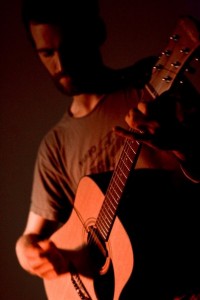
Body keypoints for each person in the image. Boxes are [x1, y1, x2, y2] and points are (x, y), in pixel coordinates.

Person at [15, 0, 200, 299]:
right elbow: (31, 237)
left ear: (96, 32)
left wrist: (180, 145)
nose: (60, 65)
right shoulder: (55, 145)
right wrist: (26, 252)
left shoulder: (151, 84)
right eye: (47, 53)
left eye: (69, 46)